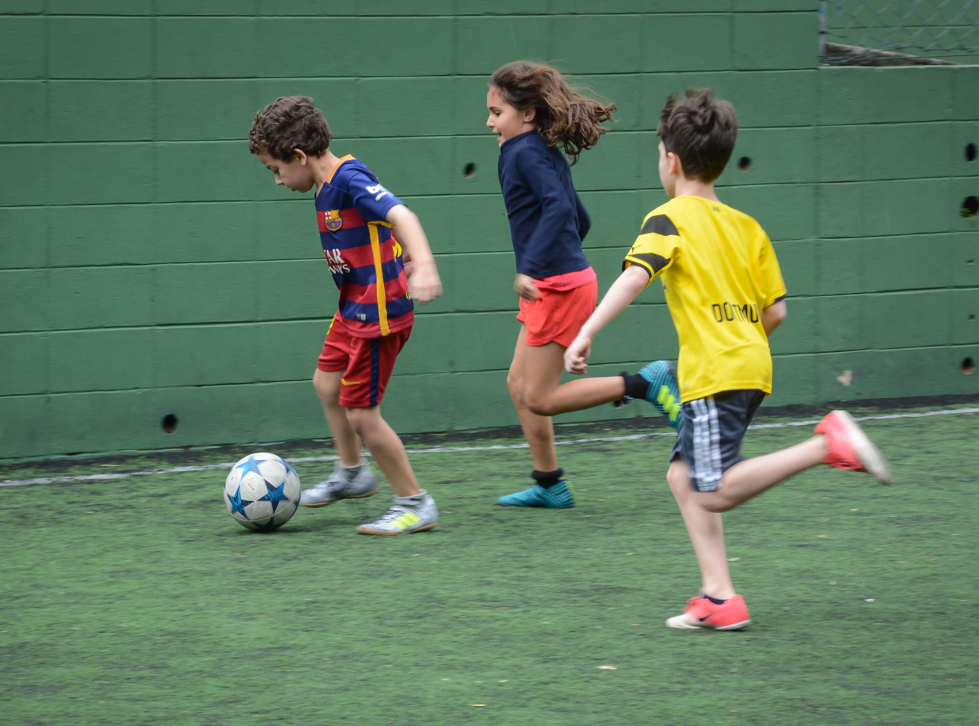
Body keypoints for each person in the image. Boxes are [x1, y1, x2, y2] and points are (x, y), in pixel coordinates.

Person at [562, 88, 892, 630]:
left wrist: (585, 332)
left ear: (669, 159)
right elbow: (777, 311)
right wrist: (738, 333)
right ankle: (720, 597)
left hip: (716, 374)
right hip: (747, 366)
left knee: (713, 492)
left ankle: (824, 445)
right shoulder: (748, 227)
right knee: (681, 475)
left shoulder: (666, 219)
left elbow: (634, 277)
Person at [248, 96, 443, 536]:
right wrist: (402, 250)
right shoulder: (324, 184)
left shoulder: (348, 177)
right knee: (325, 382)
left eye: (275, 170)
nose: (277, 181)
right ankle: (353, 473)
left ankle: (415, 502)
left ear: (299, 156)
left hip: (380, 313)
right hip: (353, 307)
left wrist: (424, 262)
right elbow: (383, 226)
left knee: (361, 413)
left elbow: (399, 212)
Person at [488, 61, 671, 509]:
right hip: (560, 280)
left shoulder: (525, 152)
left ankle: (644, 383)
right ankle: (550, 483)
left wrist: (533, 266)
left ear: (526, 113)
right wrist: (558, 260)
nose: (489, 121)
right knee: (519, 385)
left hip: (556, 285)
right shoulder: (534, 150)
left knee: (541, 397)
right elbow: (577, 216)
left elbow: (557, 208)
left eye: (496, 112)